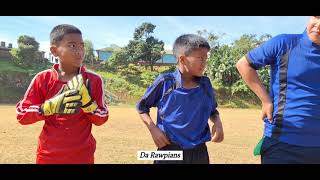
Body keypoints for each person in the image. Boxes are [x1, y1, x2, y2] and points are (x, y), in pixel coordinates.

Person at [16, 24, 109, 164]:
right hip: (48, 156)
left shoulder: (93, 80)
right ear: (54, 51)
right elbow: (22, 115)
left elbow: (102, 118)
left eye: (82, 46)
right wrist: (48, 107)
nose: (80, 51)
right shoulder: (43, 79)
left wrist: (88, 104)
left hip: (83, 156)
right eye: (72, 46)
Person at [236, 16, 320, 164]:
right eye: (316, 17)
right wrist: (266, 100)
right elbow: (244, 65)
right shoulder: (285, 44)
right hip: (282, 144)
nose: (318, 25)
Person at [136, 34, 224, 164]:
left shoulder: (205, 84)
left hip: (199, 152)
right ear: (182, 59)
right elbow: (141, 107)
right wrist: (154, 130)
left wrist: (218, 123)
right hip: (169, 150)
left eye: (206, 59)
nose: (204, 63)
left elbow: (212, 110)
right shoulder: (165, 82)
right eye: (200, 58)